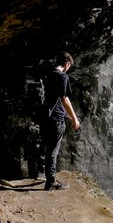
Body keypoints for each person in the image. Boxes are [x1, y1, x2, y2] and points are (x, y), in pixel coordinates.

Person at [38, 51, 80, 190]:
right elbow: (64, 99)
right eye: (69, 66)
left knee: (45, 146)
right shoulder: (63, 77)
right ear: (67, 63)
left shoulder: (48, 74)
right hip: (56, 118)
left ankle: (42, 174)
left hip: (44, 115)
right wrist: (74, 119)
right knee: (53, 150)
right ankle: (51, 182)